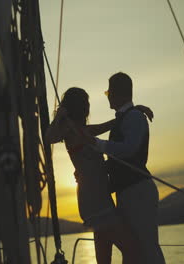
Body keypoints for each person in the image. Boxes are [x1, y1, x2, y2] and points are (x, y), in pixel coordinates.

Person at [45, 87, 153, 264]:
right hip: (95, 202)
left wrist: (131, 112)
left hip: (99, 199)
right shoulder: (67, 129)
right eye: (86, 102)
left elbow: (104, 126)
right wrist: (59, 116)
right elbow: (48, 137)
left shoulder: (82, 130)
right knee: (133, 249)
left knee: (105, 258)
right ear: (79, 105)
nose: (88, 105)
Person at [95, 72, 166, 264]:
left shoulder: (134, 117)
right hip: (128, 192)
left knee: (146, 248)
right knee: (133, 250)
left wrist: (100, 145)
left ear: (117, 93)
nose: (107, 96)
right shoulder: (126, 118)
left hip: (138, 192)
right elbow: (120, 159)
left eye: (108, 91)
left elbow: (130, 149)